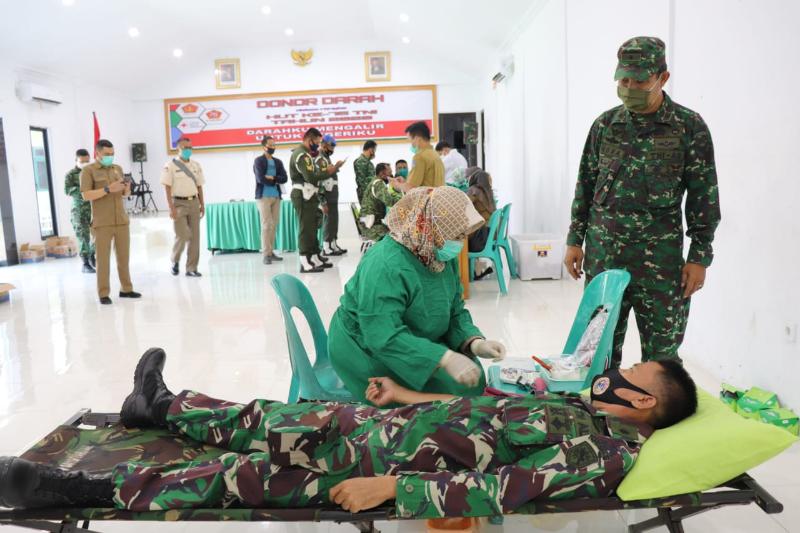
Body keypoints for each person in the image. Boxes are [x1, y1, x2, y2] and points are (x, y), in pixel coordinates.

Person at [0, 347, 698, 516]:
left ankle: (78, 487)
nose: (612, 374)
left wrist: (393, 486)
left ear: (646, 407)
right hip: (377, 424)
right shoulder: (578, 403)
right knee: (261, 418)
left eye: (628, 375)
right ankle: (158, 407)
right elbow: (480, 406)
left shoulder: (600, 450)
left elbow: (504, 486)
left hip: (373, 462)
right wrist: (404, 392)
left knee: (227, 479)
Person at [564, 36, 721, 368]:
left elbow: (704, 197)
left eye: (640, 80)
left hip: (661, 267)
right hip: (604, 258)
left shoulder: (689, 127)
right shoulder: (605, 126)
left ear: (662, 78)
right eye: (624, 79)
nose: (630, 86)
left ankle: (657, 418)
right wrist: (574, 240)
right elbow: (585, 186)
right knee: (596, 356)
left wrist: (699, 257)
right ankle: (604, 416)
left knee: (661, 362)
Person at [329, 186, 499, 400]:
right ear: (429, 227)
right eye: (456, 235)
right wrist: (443, 358)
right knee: (452, 395)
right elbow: (381, 334)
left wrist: (475, 342)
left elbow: (455, 311)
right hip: (365, 344)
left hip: (413, 334)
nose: (460, 243)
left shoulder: (439, 256)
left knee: (473, 379)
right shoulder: (386, 264)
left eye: (463, 235)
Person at [80, 139, 140, 305]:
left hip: (121, 220)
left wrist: (126, 189)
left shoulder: (117, 169)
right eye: (107, 154)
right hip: (102, 222)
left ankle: (126, 289)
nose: (110, 157)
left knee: (124, 258)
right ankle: (103, 293)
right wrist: (107, 189)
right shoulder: (88, 171)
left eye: (112, 154)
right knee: (103, 260)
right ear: (97, 153)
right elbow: (85, 195)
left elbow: (123, 195)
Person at [289, 127, 342, 273]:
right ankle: (304, 260)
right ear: (309, 139)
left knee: (312, 229)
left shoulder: (306, 154)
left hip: (310, 194)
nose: (318, 145)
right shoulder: (301, 155)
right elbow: (310, 177)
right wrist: (328, 172)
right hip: (302, 194)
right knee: (306, 229)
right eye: (317, 142)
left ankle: (313, 257)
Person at [161, 137, 206, 277]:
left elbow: (199, 186)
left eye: (190, 147)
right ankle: (175, 260)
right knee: (183, 234)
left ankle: (191, 268)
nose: (188, 150)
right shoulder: (171, 166)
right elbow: (167, 188)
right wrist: (170, 207)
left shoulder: (196, 165)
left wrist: (202, 204)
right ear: (178, 149)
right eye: (185, 147)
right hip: (178, 203)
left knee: (195, 237)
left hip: (193, 202)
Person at [253, 135, 288, 265]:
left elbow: (284, 178)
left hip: (276, 196)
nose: (273, 147)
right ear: (264, 147)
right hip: (263, 197)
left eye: (274, 145)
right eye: (270, 145)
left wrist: (272, 178)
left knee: (274, 225)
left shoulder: (278, 162)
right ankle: (266, 254)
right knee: (266, 225)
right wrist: (275, 178)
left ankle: (271, 252)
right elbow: (260, 179)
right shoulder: (258, 161)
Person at [64, 148, 95, 273]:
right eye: (82, 161)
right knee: (83, 237)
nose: (85, 164)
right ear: (76, 160)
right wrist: (83, 190)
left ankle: (92, 255)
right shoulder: (70, 174)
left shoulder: (92, 172)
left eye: (87, 161)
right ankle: (85, 263)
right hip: (79, 210)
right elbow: (67, 190)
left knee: (98, 235)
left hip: (94, 208)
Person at [317, 133, 347, 256]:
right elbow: (320, 180)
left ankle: (333, 244)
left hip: (333, 195)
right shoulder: (320, 159)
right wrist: (322, 201)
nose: (333, 149)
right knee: (328, 221)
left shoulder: (326, 159)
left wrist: (336, 167)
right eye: (331, 146)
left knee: (334, 220)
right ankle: (326, 247)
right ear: (324, 145)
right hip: (327, 195)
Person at [360, 162, 403, 242]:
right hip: (370, 227)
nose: (392, 176)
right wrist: (404, 197)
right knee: (395, 237)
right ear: (382, 174)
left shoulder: (375, 181)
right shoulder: (378, 184)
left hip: (370, 224)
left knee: (394, 232)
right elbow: (389, 201)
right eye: (390, 173)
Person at [466, 168, 496, 279]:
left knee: (460, 239)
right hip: (489, 235)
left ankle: (465, 273)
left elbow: (464, 204)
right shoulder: (489, 193)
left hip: (480, 238)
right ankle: (477, 269)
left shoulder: (474, 190)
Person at [398, 122, 444, 192]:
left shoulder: (419, 157)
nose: (411, 144)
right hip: (436, 200)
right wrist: (405, 182)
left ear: (417, 138)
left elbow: (411, 188)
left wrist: (396, 185)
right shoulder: (435, 154)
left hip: (425, 200)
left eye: (411, 140)